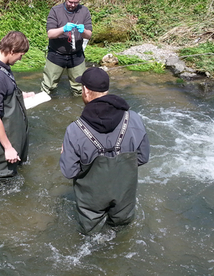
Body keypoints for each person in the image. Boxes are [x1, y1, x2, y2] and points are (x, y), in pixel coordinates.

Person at [59, 67, 150, 234]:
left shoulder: (74, 130)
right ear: (106, 90)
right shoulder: (134, 118)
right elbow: (143, 158)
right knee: (122, 233)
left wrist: (65, 155)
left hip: (92, 199)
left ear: (85, 90)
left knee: (90, 237)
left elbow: (69, 172)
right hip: (124, 193)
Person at [0, 31, 35, 184]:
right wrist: (8, 147)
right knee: (5, 180)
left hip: (13, 129)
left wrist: (22, 95)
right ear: (11, 51)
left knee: (18, 169)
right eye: (21, 55)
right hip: (5, 136)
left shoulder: (1, 64)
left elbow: (4, 92)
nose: (20, 59)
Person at [42, 0, 93, 96]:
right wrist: (63, 29)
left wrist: (83, 31)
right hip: (56, 54)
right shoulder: (55, 11)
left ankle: (76, 111)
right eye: (70, 2)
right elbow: (50, 34)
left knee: (80, 89)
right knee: (48, 87)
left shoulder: (84, 11)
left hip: (77, 55)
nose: (73, 5)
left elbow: (89, 35)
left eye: (76, 2)